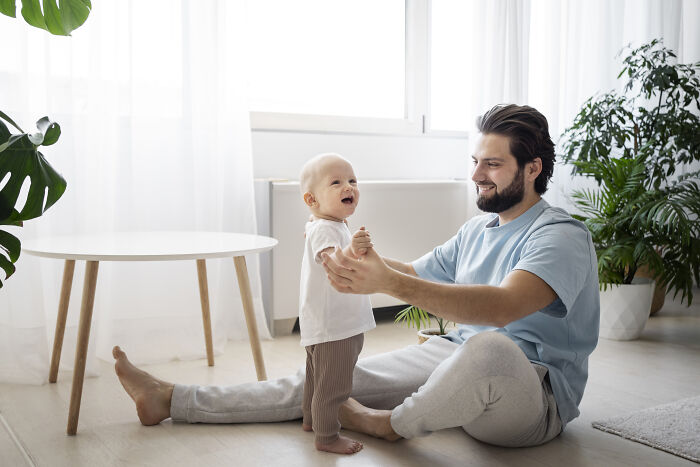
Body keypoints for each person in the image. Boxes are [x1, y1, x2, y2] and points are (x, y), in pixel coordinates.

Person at [113, 103, 599, 450]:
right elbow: (408, 272)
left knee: (492, 346)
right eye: (475, 162)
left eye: (492, 164)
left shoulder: (561, 236)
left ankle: (390, 424)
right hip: (454, 360)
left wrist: (386, 282)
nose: (476, 175)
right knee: (333, 377)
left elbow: (501, 307)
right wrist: (360, 265)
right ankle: (172, 399)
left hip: (532, 396)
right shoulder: (478, 229)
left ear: (532, 168)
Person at [295, 153, 376, 454]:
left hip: (322, 322)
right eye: (337, 182)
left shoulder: (324, 223)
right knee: (334, 385)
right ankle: (327, 436)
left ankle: (309, 419)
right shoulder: (327, 229)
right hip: (337, 326)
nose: (349, 187)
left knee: (316, 377)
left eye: (353, 181)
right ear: (312, 200)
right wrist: (354, 249)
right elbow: (333, 262)